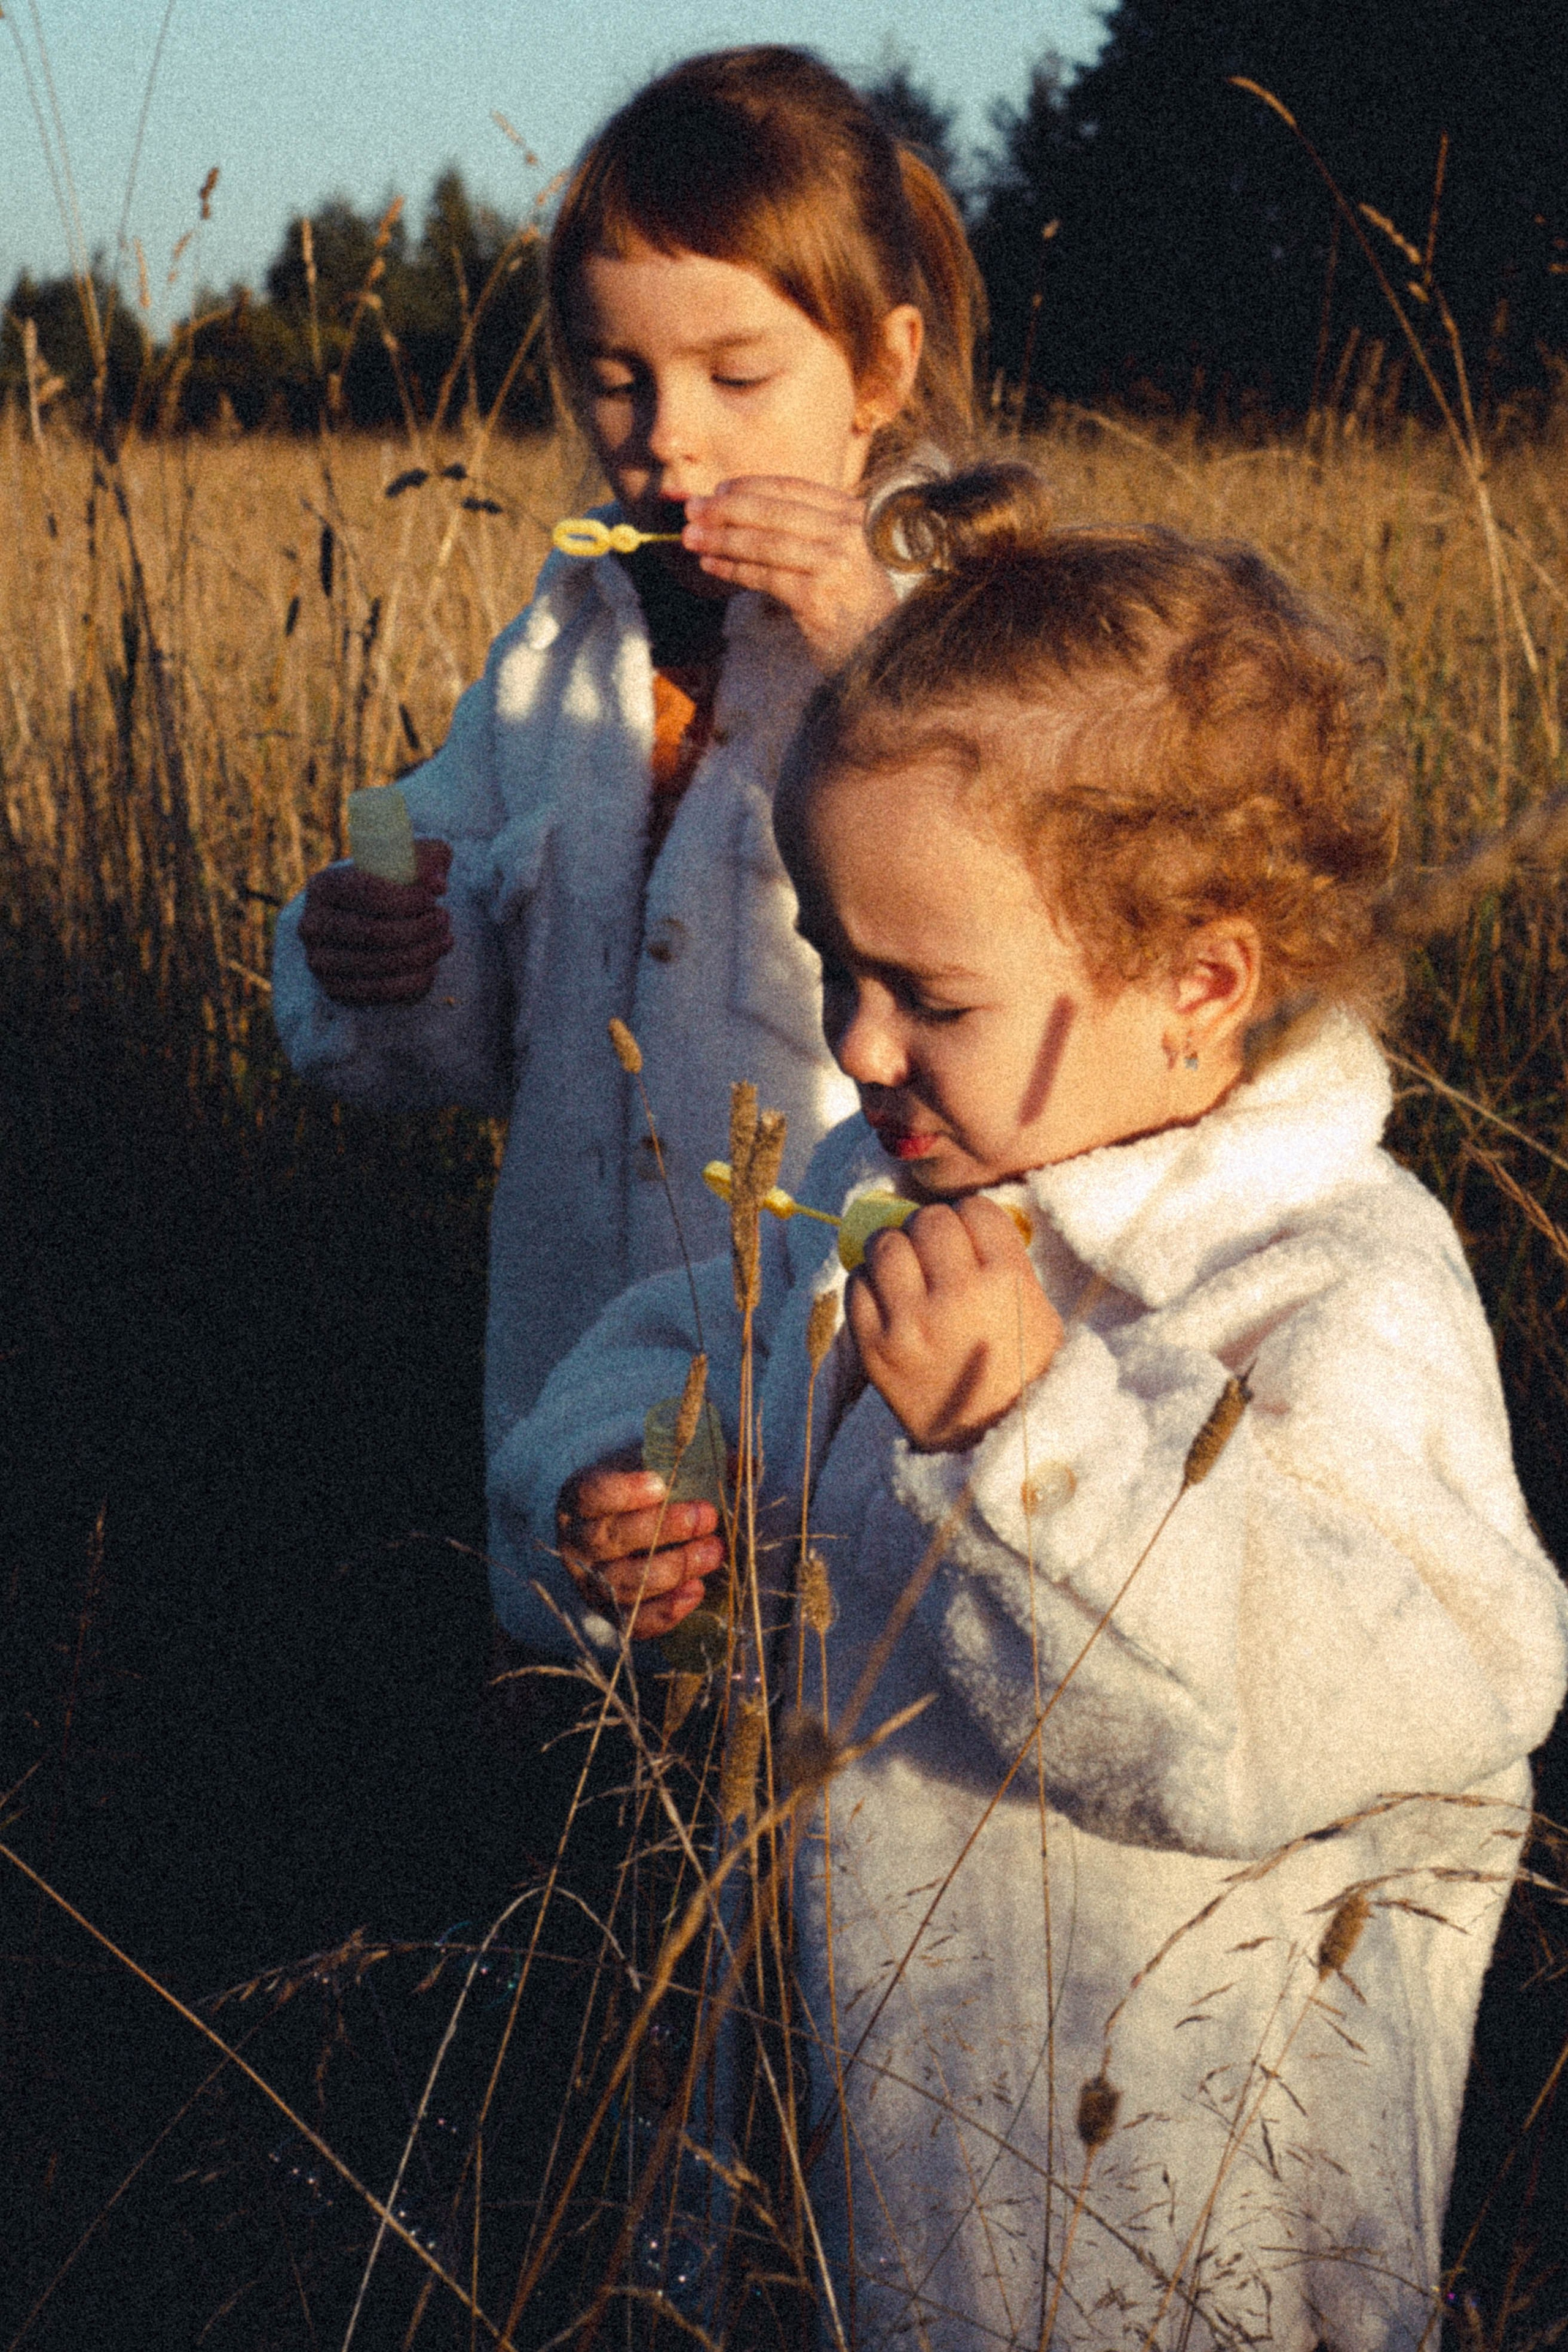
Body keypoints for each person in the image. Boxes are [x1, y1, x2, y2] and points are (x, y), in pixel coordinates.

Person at [493, 466, 1568, 2346]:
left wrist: (1031, 1442)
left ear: (1196, 984)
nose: (857, 1043)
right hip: (840, 2165)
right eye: (835, 968)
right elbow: (700, 1328)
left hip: (1171, 2231)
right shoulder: (880, 1178)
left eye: (932, 996)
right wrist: (632, 1473)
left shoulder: (1335, 1285)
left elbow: (1342, 1697)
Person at [270, 47, 982, 1643]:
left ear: (880, 370)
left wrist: (879, 653)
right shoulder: (565, 644)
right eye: (616, 376)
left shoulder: (961, 628)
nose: (671, 440)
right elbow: (456, 1018)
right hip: (579, 1386)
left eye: (739, 379)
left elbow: (1043, 902)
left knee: (805, 1785)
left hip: (840, 1369)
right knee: (605, 1794)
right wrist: (382, 960)